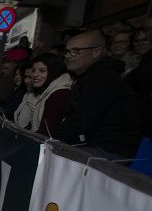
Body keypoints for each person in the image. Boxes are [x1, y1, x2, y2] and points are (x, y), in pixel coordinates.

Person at [51, 30, 142, 160]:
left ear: (96, 52)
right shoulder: (90, 76)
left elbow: (81, 121)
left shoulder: (101, 78)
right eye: (67, 51)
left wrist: (49, 139)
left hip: (107, 152)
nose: (68, 56)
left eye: (76, 51)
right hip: (95, 146)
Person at [17, 53, 72, 136]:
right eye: (33, 70)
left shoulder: (59, 95)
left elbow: (46, 133)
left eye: (42, 71)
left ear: (53, 72)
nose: (35, 75)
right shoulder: (44, 91)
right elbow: (32, 124)